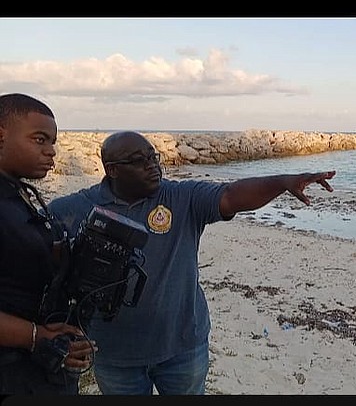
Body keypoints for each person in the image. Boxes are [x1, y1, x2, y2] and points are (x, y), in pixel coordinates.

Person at [48, 130, 336, 395]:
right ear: (112, 170)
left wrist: (283, 182)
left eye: (153, 157)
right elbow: (39, 269)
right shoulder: (73, 210)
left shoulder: (180, 197)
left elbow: (231, 195)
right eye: (139, 161)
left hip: (183, 347)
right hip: (114, 354)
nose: (153, 165)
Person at [0, 93, 97, 394]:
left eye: (52, 142)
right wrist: (37, 336)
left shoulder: (18, 195)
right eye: (39, 139)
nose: (51, 152)